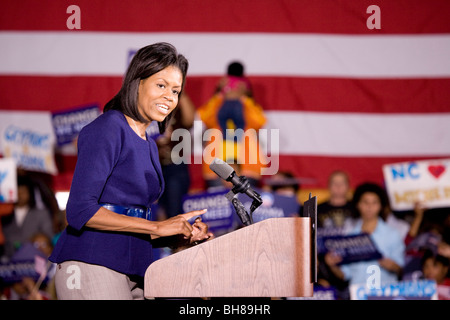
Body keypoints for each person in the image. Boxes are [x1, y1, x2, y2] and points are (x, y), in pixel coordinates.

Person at [49, 43, 211, 300]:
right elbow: (80, 210)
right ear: (137, 82)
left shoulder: (148, 143)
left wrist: (175, 237)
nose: (170, 97)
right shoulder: (109, 127)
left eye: (176, 90)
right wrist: (157, 227)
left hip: (135, 268)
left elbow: (129, 221)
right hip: (91, 263)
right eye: (161, 85)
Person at [198, 61, 266, 189]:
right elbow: (205, 117)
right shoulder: (218, 103)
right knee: (218, 206)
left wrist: (244, 97)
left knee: (247, 206)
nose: (233, 90)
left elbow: (259, 121)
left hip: (247, 168)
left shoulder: (247, 105)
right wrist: (219, 94)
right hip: (215, 170)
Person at [324, 182, 405, 288]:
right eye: (365, 202)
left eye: (374, 202)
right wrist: (332, 265)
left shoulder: (392, 234)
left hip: (385, 294)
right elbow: (345, 274)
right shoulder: (350, 236)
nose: (369, 207)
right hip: (357, 294)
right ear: (358, 204)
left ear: (381, 206)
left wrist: (391, 265)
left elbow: (400, 267)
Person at [155, 92, 195, 220]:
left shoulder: (178, 100)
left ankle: (177, 239)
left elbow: (190, 120)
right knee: (157, 213)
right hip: (153, 166)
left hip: (175, 165)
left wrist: (180, 92)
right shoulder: (149, 103)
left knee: (174, 212)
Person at [2, 175, 54, 258]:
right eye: (17, 192)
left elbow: (48, 236)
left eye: (23, 192)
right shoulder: (4, 213)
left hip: (36, 259)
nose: (20, 196)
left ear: (30, 193)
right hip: (10, 261)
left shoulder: (41, 214)